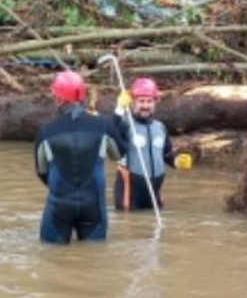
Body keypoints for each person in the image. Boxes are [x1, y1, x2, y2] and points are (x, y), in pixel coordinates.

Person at [33, 71, 125, 244]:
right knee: (94, 261)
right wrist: (119, 115)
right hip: (93, 206)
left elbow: (41, 171)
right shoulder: (103, 125)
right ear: (83, 97)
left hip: (59, 205)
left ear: (59, 99)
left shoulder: (46, 131)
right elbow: (120, 154)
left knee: (52, 260)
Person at [112, 78, 192, 211]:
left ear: (155, 102)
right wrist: (119, 109)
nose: (145, 106)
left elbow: (167, 154)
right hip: (129, 195)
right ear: (133, 102)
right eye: (141, 101)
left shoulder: (160, 127)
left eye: (149, 101)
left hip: (154, 194)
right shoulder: (125, 124)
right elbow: (109, 137)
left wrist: (177, 161)